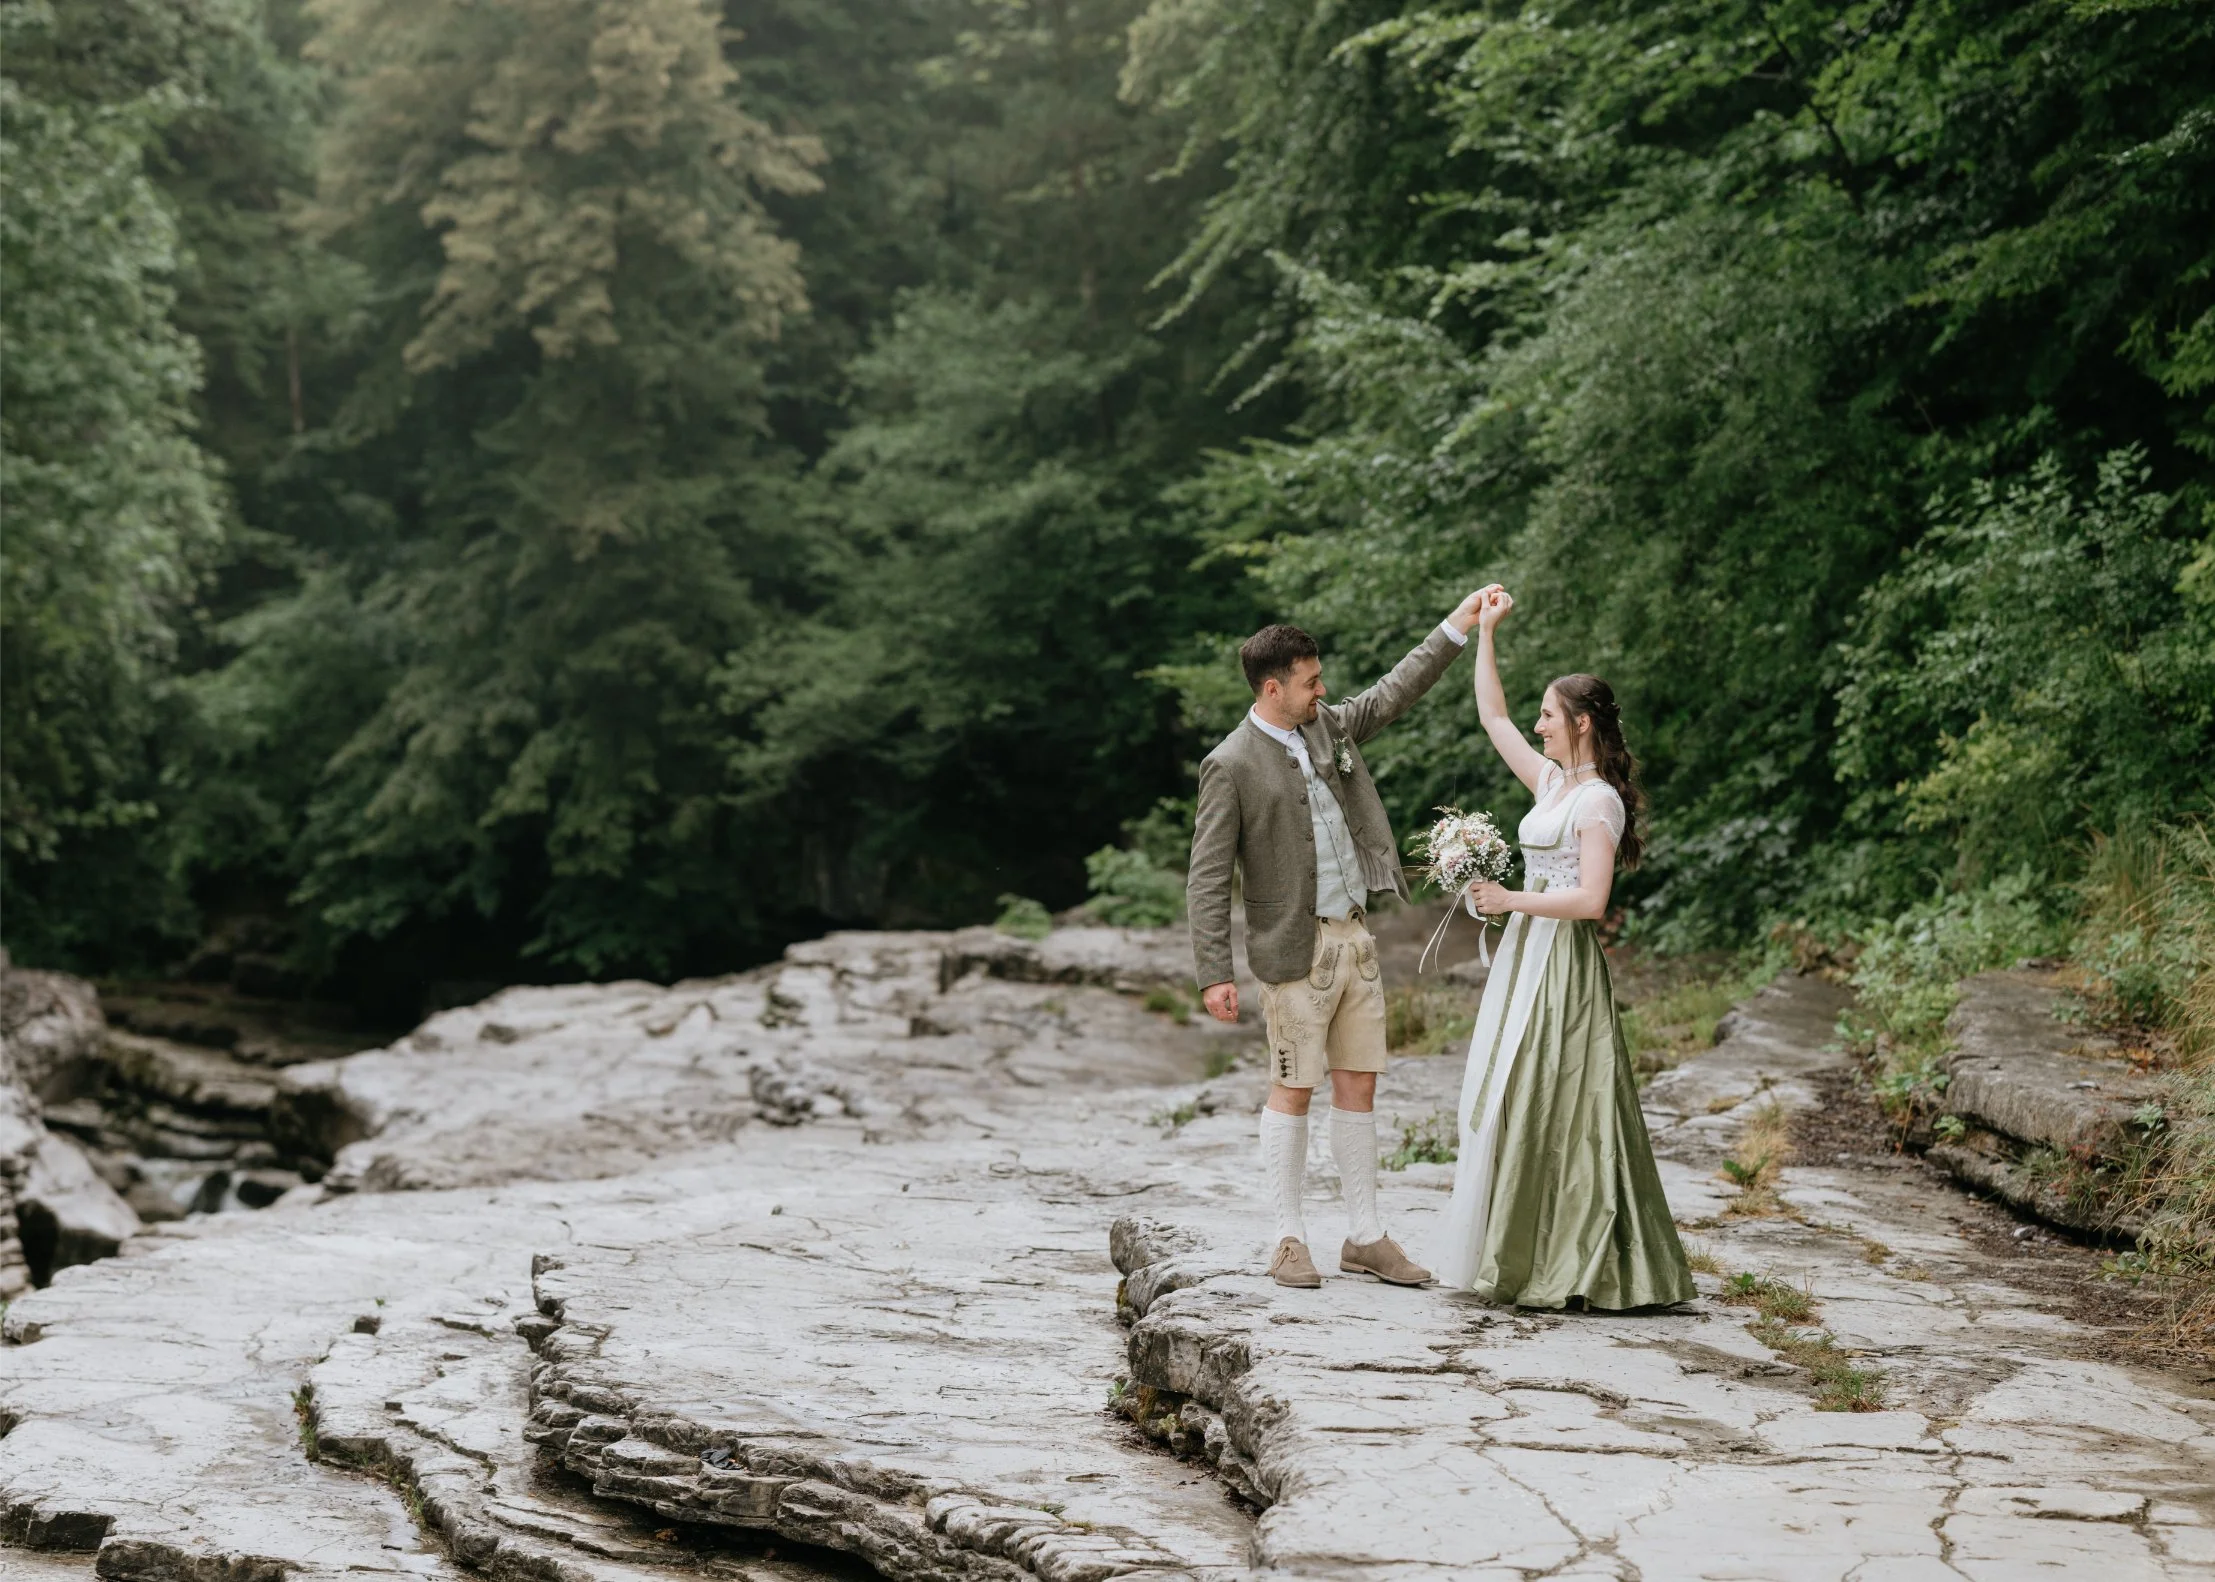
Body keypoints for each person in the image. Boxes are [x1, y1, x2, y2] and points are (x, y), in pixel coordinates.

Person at [1189, 593, 1491, 1289]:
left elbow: (1392, 692)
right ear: (1274, 688)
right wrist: (1214, 971)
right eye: (1309, 682)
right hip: (1291, 952)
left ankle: (1365, 1236)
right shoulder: (1228, 764)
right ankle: (1287, 1238)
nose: (1321, 691)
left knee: (1359, 1087)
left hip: (1354, 941)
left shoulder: (1327, 728)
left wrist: (1456, 625)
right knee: (1292, 1088)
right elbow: (1206, 878)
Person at [1431, 585, 1695, 1309]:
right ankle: (1520, 1247)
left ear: (1579, 723)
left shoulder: (1596, 801)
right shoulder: (1551, 784)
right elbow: (1491, 715)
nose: (1538, 725)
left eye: (1548, 715)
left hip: (1562, 964)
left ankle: (1578, 1256)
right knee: (1513, 1092)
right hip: (1524, 957)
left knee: (1558, 1095)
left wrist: (1511, 899)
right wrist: (1484, 632)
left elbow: (1590, 902)